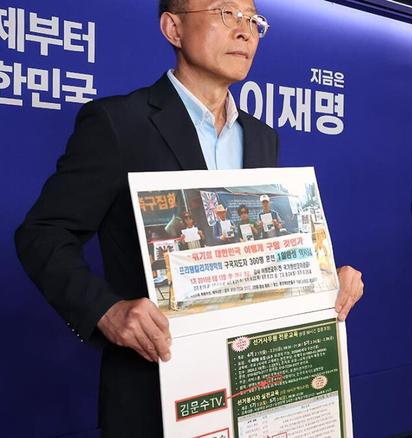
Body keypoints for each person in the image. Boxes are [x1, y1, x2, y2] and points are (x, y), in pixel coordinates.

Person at [14, 1, 363, 436]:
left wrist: (326, 281)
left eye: (253, 19)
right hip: (154, 389)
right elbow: (43, 234)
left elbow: (260, 257)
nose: (245, 31)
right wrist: (105, 310)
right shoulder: (119, 123)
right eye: (225, 13)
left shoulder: (261, 137)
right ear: (173, 28)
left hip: (249, 388)